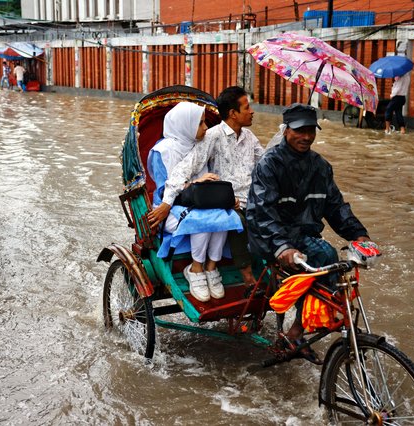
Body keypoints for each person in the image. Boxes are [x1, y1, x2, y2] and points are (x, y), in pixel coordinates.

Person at [246, 103, 375, 349]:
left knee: (336, 271)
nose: (306, 137)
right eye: (299, 130)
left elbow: (336, 207)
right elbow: (262, 213)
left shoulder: (321, 167)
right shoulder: (269, 165)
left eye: (310, 131)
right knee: (326, 254)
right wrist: (282, 246)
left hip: (304, 236)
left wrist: (359, 235)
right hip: (271, 237)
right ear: (285, 130)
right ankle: (297, 330)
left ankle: (300, 327)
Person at [148, 86, 264, 286]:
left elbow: (265, 164)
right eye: (247, 107)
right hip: (222, 201)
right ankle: (241, 275)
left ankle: (273, 270)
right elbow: (180, 172)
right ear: (233, 114)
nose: (252, 111)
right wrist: (167, 203)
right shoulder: (212, 137)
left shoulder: (250, 137)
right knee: (228, 220)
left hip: (246, 199)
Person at [384, 70, 411, 134]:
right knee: (398, 113)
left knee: (388, 110)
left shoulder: (401, 77)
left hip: (396, 97)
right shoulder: (407, 77)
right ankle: (402, 129)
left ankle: (387, 129)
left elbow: (397, 88)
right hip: (402, 97)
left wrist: (392, 95)